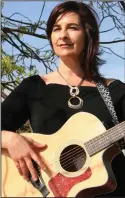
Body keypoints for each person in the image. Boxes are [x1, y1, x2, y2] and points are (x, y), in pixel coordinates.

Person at [1, 1, 125, 197]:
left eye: (73, 28)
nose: (63, 35)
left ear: (88, 34)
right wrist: (9, 138)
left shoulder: (114, 90)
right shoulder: (34, 87)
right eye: (57, 29)